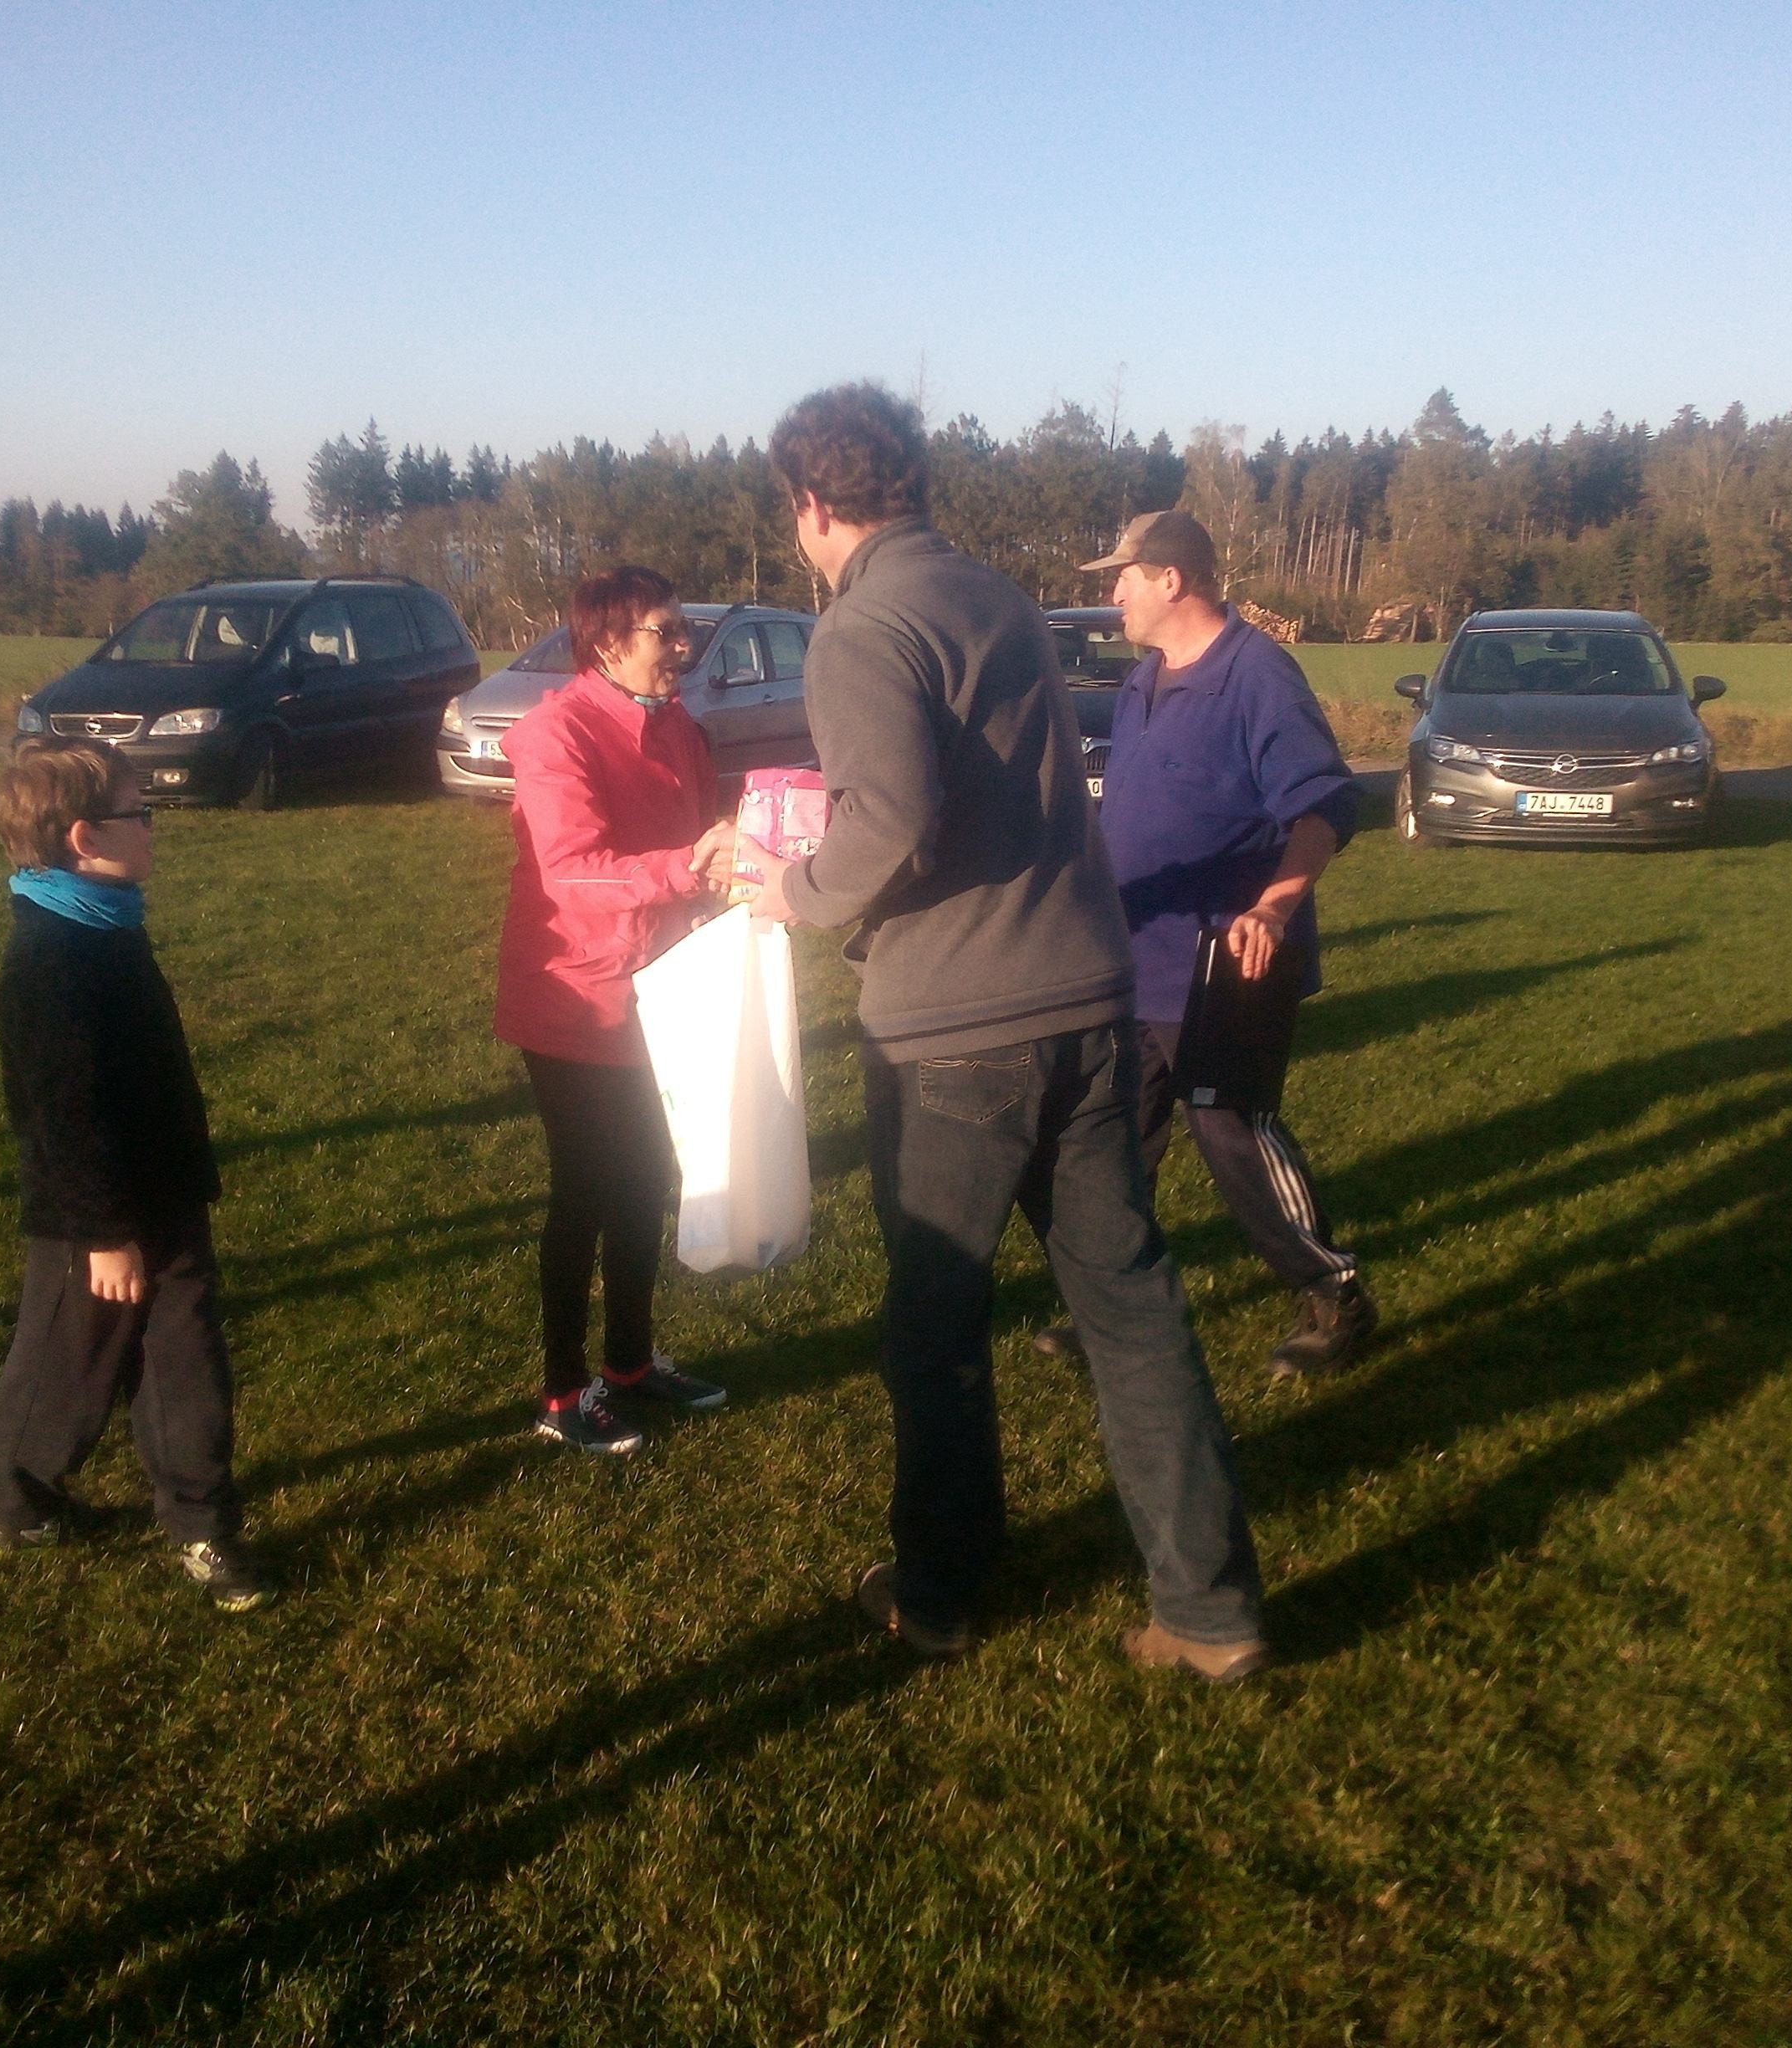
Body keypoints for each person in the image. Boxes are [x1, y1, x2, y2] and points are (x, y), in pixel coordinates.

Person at [745, 384, 1269, 1682]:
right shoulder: (1002, 601)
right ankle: (1212, 1610)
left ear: (811, 505)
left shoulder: (861, 626)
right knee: (1132, 1309)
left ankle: (939, 1590)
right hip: (1090, 1002)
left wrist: (794, 892)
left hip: (954, 1030)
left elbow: (889, 819)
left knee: (935, 1326)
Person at [1032, 509, 1379, 1379]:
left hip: (1226, 963)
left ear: (1171, 579)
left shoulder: (1257, 675)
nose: (1113, 592)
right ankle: (1115, 1304)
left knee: (1233, 1133)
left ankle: (1334, 1293)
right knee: (1114, 1141)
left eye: (1124, 576)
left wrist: (1276, 906)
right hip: (1134, 957)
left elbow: (1326, 806)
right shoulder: (1144, 680)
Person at [0, 737, 265, 1610]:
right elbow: (62, 1117)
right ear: (84, 837)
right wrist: (103, 1235)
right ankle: (21, 1504)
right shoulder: (50, 959)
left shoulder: (107, 922)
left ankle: (201, 1521)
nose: (152, 827)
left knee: (185, 1356)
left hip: (164, 1186)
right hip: (90, 1212)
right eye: (139, 813)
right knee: (67, 1361)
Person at [494, 565, 741, 1455]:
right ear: (606, 644)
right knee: (588, 1189)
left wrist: (735, 867)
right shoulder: (554, 734)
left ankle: (631, 1364)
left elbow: (700, 833)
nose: (684, 648)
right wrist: (688, 868)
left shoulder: (676, 723)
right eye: (664, 632)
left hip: (662, 986)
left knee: (646, 1178)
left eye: (684, 629)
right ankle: (562, 1393)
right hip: (578, 996)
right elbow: (572, 874)